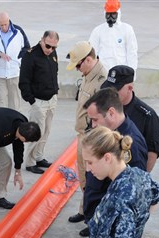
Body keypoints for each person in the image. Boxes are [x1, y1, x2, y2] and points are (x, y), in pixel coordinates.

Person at [81, 126, 159, 238]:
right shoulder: (139, 175)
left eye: (90, 162)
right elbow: (155, 196)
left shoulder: (119, 200)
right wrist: (138, 221)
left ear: (107, 158)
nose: (88, 169)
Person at [80, 87, 148, 237]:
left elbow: (136, 195)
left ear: (111, 113)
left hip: (112, 232)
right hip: (100, 222)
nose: (92, 126)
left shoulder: (132, 146)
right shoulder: (106, 136)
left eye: (95, 120)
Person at [66, 41, 107, 224]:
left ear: (88, 60)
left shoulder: (102, 80)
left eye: (78, 65)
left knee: (94, 181)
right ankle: (84, 211)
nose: (77, 69)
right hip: (82, 136)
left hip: (93, 139)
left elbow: (103, 116)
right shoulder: (87, 75)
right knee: (83, 178)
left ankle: (93, 220)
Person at [101, 65, 159, 172]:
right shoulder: (102, 107)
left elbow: (152, 152)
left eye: (115, 90)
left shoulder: (147, 116)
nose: (110, 93)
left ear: (129, 88)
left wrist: (141, 178)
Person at [19, 30, 59, 174]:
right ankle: (29, 162)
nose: (50, 50)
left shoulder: (52, 53)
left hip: (51, 99)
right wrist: (32, 101)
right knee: (36, 132)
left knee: (46, 131)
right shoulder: (30, 56)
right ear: (41, 40)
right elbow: (23, 82)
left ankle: (38, 157)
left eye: (54, 47)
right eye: (48, 46)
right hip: (38, 101)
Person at [0, 12, 30, 111]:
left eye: (5, 24)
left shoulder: (18, 31)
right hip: (0, 73)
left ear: (8, 21)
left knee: (14, 101)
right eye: (1, 25)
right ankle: (0, 124)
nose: (3, 27)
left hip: (14, 73)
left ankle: (14, 124)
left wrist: (19, 60)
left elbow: (27, 48)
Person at [89, 0, 138, 73]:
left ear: (118, 14)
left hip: (121, 74)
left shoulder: (127, 29)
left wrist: (131, 74)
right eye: (108, 14)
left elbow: (132, 53)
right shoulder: (98, 31)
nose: (110, 17)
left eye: (113, 14)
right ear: (105, 14)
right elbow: (91, 53)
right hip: (103, 73)